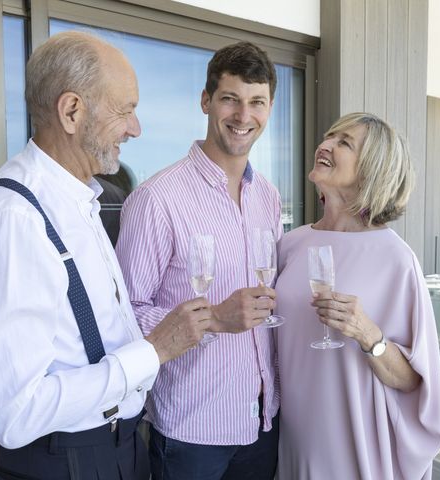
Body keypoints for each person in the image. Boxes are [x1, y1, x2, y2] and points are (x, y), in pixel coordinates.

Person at [0, 31, 212, 480]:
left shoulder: (81, 201)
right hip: (66, 463)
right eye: (125, 110)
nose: (136, 129)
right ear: (72, 111)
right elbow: (17, 413)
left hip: (115, 450)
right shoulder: (13, 220)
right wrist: (152, 352)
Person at [116, 41, 281, 479]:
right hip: (192, 429)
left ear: (269, 108)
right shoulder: (156, 199)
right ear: (206, 101)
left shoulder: (268, 196)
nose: (243, 116)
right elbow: (124, 317)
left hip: (262, 417)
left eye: (256, 102)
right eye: (230, 99)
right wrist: (215, 319)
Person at [274, 112, 440, 479]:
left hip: (354, 439)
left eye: (344, 143)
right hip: (295, 433)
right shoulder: (291, 243)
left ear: (371, 171)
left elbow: (414, 381)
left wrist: (367, 333)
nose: (326, 145)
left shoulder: (397, 260)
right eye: (329, 136)